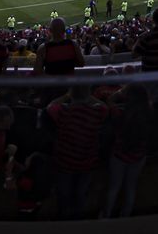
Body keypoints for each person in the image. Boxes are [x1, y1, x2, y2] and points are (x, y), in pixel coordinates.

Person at [47, 85, 109, 219]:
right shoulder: (97, 112)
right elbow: (105, 107)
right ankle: (78, 223)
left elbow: (50, 106)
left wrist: (67, 95)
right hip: (87, 163)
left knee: (64, 196)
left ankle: (64, 222)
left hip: (64, 162)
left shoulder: (63, 111)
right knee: (80, 195)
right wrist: (88, 95)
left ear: (71, 95)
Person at [102, 83, 152, 217]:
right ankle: (125, 216)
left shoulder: (119, 112)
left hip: (119, 155)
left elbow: (109, 100)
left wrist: (120, 92)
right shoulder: (149, 113)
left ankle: (106, 216)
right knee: (131, 188)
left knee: (114, 187)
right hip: (138, 156)